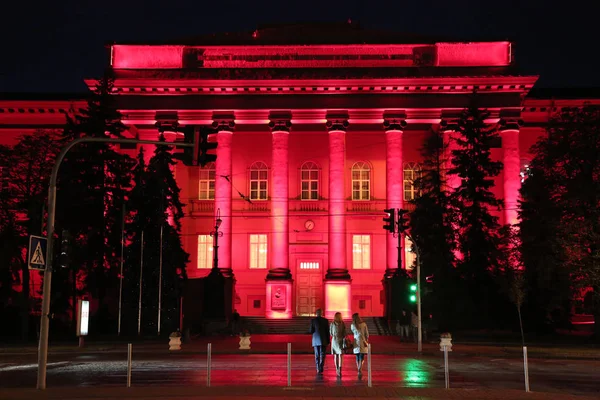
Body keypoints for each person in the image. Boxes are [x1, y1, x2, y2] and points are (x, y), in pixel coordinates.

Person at [310, 308, 330, 373]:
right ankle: (321, 366)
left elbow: (311, 330)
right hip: (324, 340)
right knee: (323, 354)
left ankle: (317, 367)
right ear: (322, 313)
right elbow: (327, 331)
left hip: (316, 340)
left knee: (317, 354)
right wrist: (328, 340)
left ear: (316, 313)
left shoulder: (313, 321)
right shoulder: (325, 320)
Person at [329, 312, 346, 377]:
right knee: (340, 356)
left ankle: (336, 369)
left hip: (334, 340)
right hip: (341, 340)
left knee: (335, 355)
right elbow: (345, 333)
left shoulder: (332, 324)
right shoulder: (342, 323)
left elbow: (330, 333)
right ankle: (340, 369)